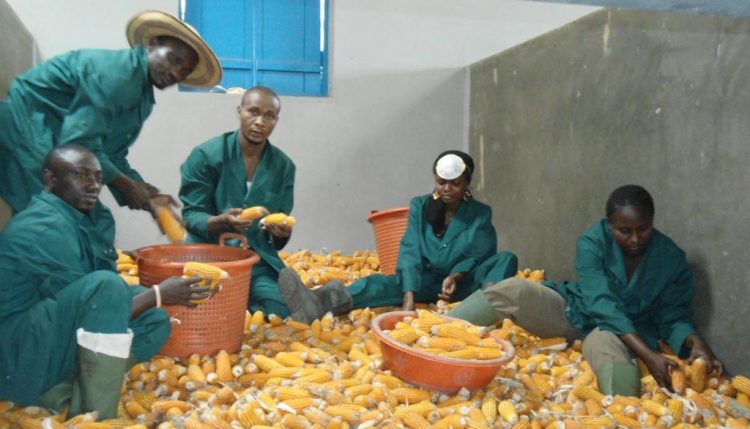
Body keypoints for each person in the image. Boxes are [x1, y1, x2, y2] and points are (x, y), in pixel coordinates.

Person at [448, 184, 723, 396]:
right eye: (624, 231)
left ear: (653, 222)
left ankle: (620, 412)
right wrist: (650, 357)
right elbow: (601, 302)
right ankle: (439, 331)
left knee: (608, 352)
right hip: (575, 312)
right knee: (512, 290)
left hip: (619, 333)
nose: (636, 239)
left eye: (644, 229)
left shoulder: (671, 258)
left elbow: (673, 314)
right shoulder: (593, 241)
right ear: (609, 225)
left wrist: (695, 342)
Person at [0, 144, 210, 418]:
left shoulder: (76, 218)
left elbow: (98, 294)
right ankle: (93, 414)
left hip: (45, 333)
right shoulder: (46, 227)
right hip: (16, 353)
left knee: (154, 320)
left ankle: (62, 387)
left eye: (98, 178)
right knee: (112, 288)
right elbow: (95, 303)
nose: (93, 186)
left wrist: (152, 297)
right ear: (50, 179)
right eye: (82, 176)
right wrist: (157, 294)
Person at [0, 10, 222, 268]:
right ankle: (34, 292)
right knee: (50, 215)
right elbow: (80, 144)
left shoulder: (142, 97)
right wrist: (128, 186)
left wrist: (149, 197)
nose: (175, 73)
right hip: (28, 124)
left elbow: (112, 153)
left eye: (183, 71)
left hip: (57, 138)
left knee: (97, 222)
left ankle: (95, 287)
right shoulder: (119, 74)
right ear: (151, 45)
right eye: (172, 59)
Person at [278, 150, 519, 323]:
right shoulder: (421, 206)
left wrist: (457, 275)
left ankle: (486, 311)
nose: (446, 189)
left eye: (454, 184)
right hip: (424, 280)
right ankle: (318, 302)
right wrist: (409, 297)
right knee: (377, 284)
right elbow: (410, 249)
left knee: (506, 259)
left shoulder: (479, 213)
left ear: (467, 183)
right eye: (441, 183)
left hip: (465, 284)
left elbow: (480, 253)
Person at [179, 86, 295, 317]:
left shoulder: (284, 167)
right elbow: (192, 215)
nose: (260, 121)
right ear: (239, 111)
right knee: (201, 312)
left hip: (255, 261)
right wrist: (220, 221)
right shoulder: (206, 156)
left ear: (276, 121)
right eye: (253, 112)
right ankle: (235, 305)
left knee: (279, 311)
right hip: (209, 256)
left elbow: (278, 231)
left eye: (269, 116)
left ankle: (243, 305)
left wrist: (281, 233)